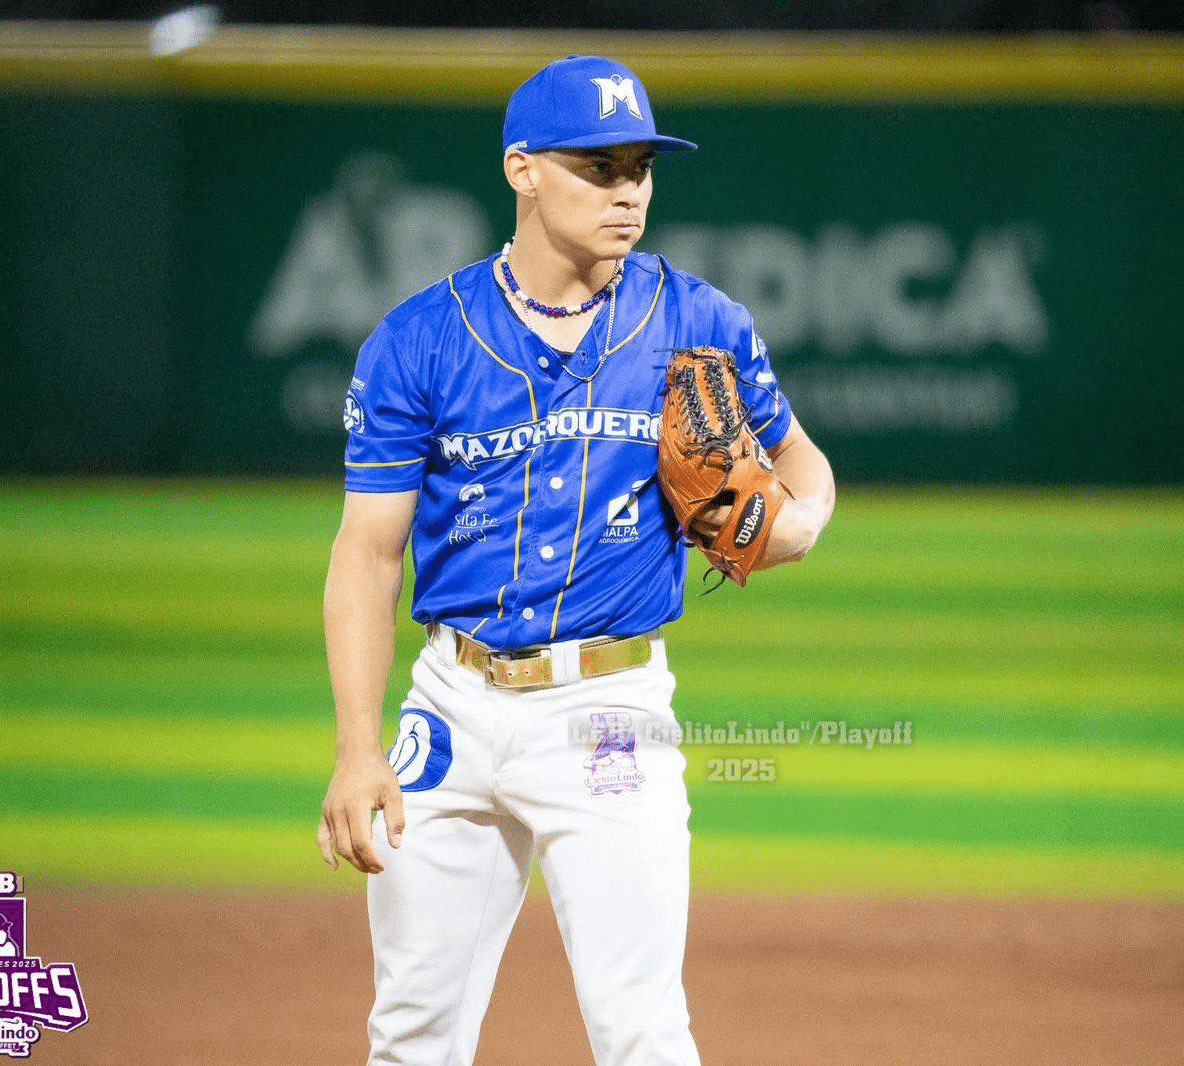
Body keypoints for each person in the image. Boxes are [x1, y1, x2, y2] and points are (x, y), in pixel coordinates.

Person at [316, 53, 835, 1066]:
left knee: (641, 1029)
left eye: (640, 167)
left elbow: (800, 461)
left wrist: (801, 522)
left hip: (610, 716)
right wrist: (355, 746)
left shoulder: (698, 321)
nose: (627, 191)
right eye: (598, 167)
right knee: (411, 1033)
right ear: (522, 170)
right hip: (452, 708)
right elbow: (368, 555)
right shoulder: (419, 341)